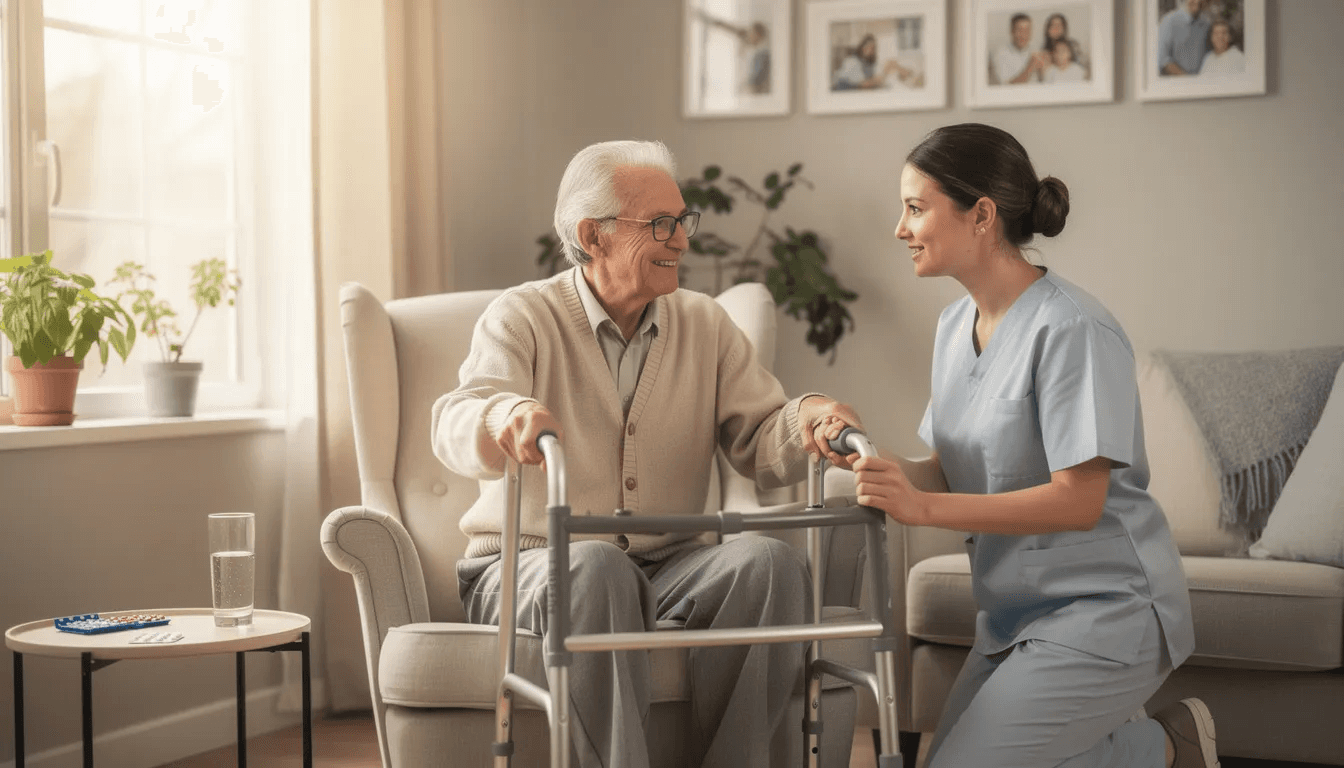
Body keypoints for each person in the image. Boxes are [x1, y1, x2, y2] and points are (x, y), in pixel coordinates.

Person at [432, 139, 862, 768]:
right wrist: (507, 415)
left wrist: (808, 417)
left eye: (683, 221)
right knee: (596, 569)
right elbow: (455, 416)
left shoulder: (705, 323)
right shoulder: (522, 316)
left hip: (671, 565)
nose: (682, 240)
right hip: (528, 567)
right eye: (661, 224)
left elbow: (759, 436)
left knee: (770, 564)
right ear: (592, 234)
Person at [836, 123, 1218, 768]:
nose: (899, 229)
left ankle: (1165, 748)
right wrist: (873, 462)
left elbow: (1078, 502)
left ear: (981, 215)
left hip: (1108, 609)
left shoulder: (1074, 328)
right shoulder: (955, 326)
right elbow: (951, 470)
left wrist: (920, 510)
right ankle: (1144, 743)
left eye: (914, 208)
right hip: (1012, 618)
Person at [832, 33, 918, 90]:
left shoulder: (870, 64)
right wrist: (885, 72)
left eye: (874, 48)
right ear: (862, 47)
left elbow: (875, 80)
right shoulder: (852, 62)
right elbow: (865, 85)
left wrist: (897, 68)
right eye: (869, 47)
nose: (872, 50)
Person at [1157, 0, 1211, 76]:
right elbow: (1162, 58)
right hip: (1175, 84)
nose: (1198, 1)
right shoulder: (1169, 21)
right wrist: (1187, 80)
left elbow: (1209, 56)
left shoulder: (1206, 25)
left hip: (1200, 83)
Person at [990, 13, 1044, 85]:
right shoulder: (999, 53)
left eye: (1027, 30)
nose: (1023, 35)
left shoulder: (1036, 51)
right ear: (1011, 31)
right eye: (1019, 30)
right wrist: (1031, 66)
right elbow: (1006, 87)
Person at [1042, 12, 1089, 79]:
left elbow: (1083, 71)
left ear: (1064, 29)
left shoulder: (1073, 45)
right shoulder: (1044, 51)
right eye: (1053, 25)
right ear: (1048, 30)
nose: (1056, 28)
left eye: (1059, 25)